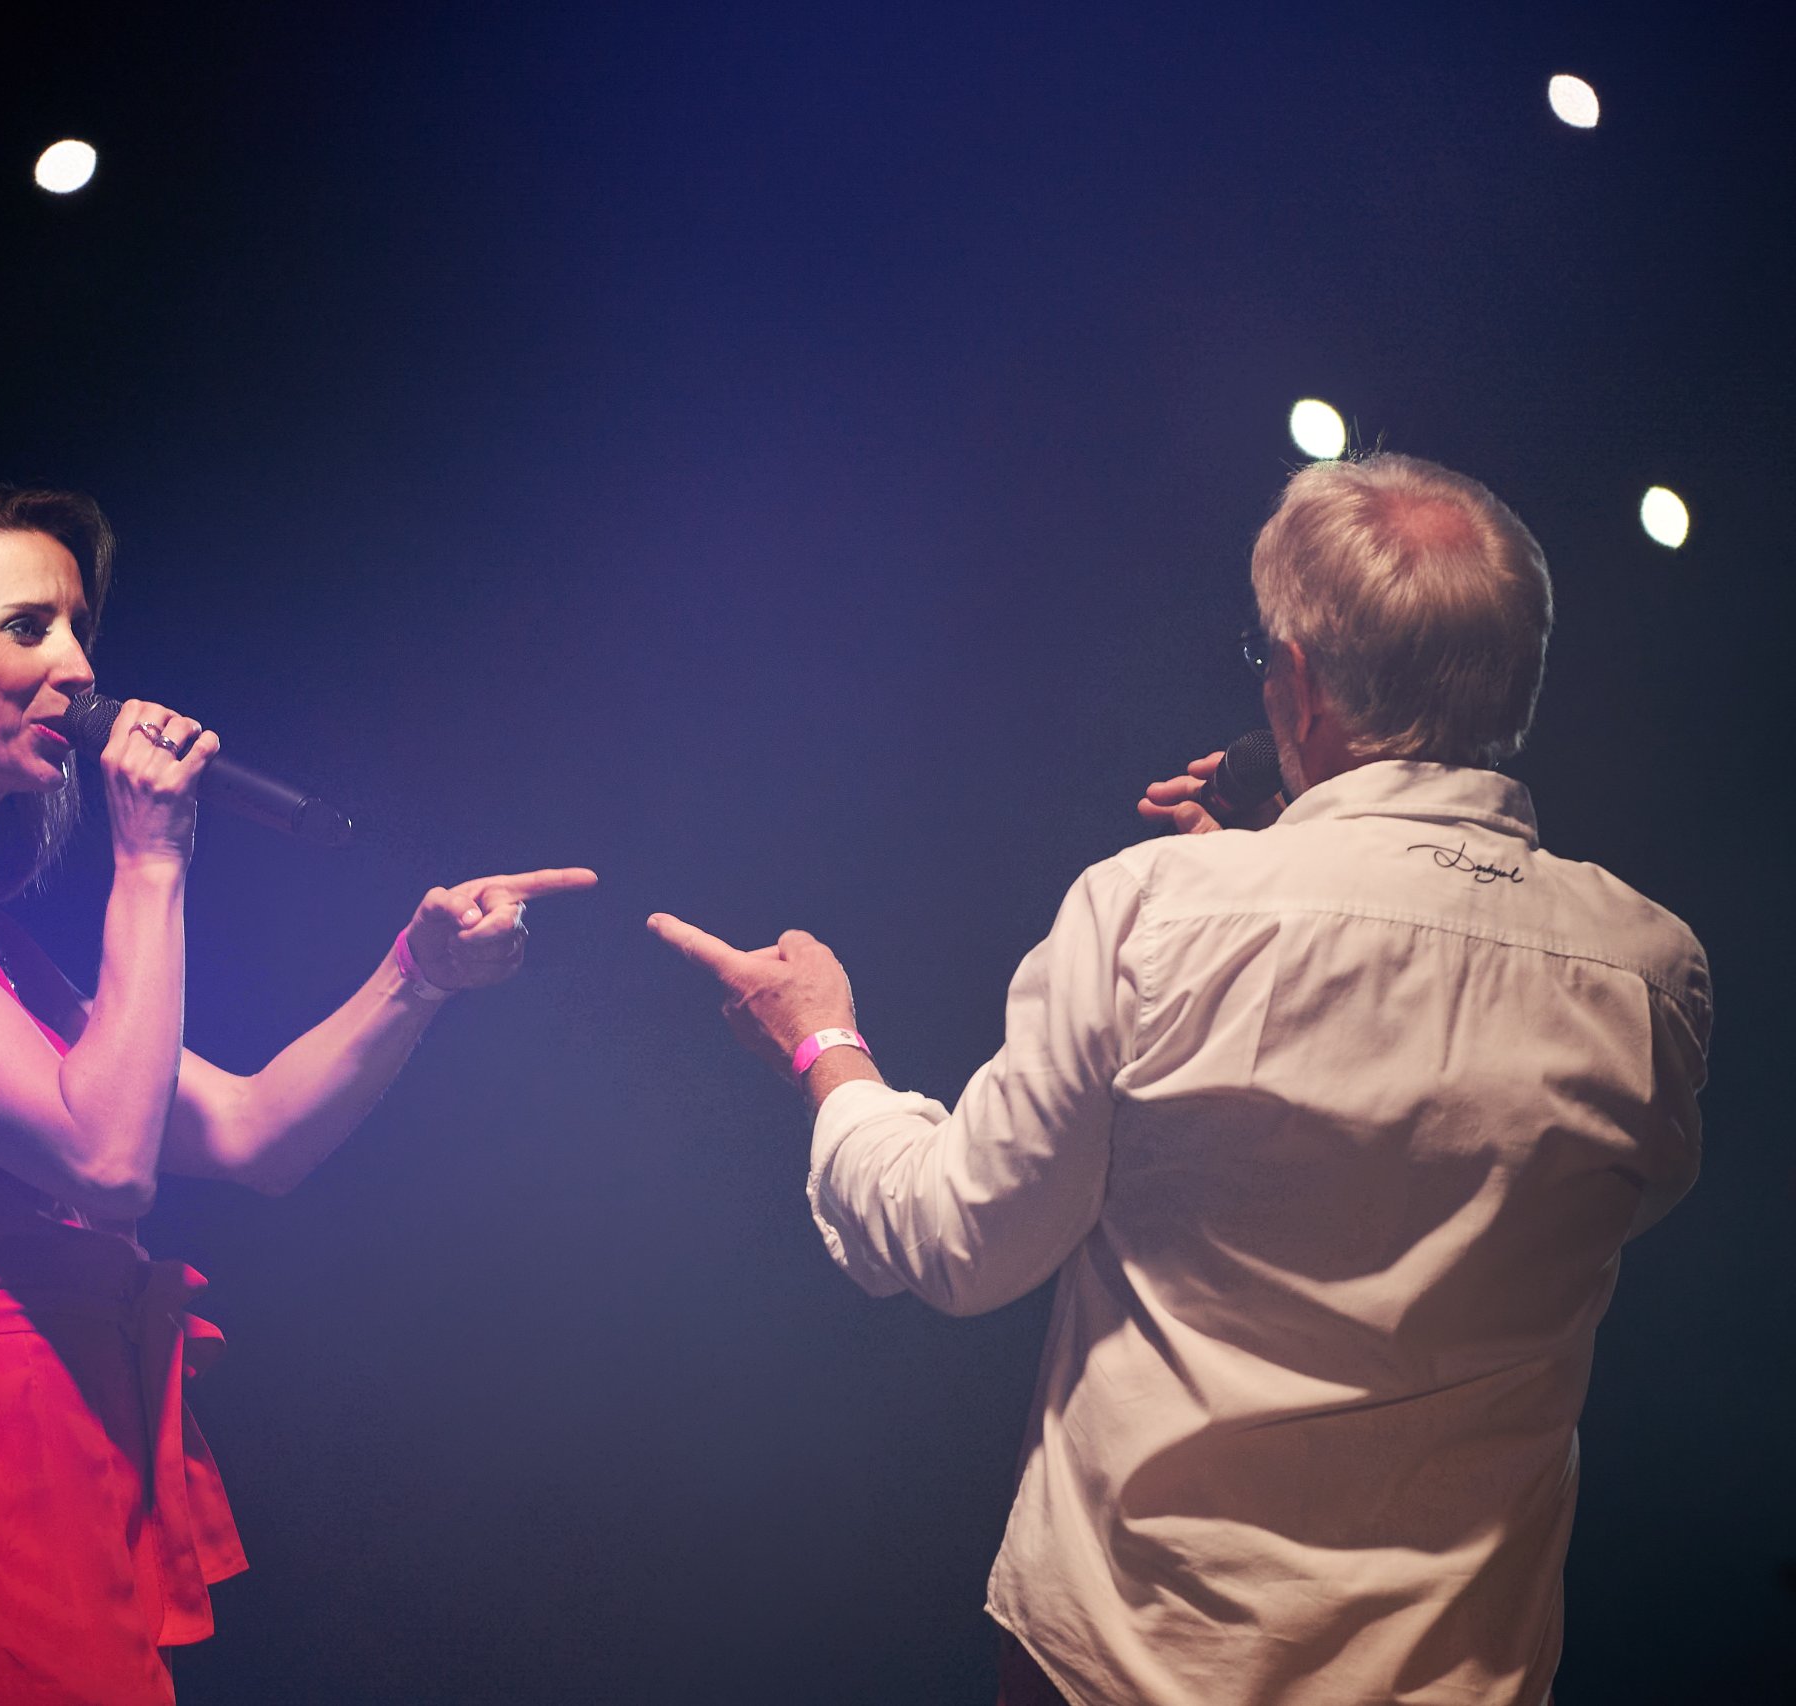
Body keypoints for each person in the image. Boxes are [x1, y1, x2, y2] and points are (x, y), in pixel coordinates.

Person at [648, 453, 1709, 1706]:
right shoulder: (1650, 973)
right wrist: (1278, 906)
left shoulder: (1149, 909)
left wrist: (820, 1040)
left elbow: (950, 1238)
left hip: (1129, 1671)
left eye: (1266, 660)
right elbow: (1517, 1186)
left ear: (1300, 685)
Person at [0, 476, 595, 1706]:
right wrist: (151, 857)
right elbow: (108, 1160)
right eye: (28, 625)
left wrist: (418, 974)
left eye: (81, 628)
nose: (78, 667)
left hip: (70, 1445)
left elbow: (249, 1132)